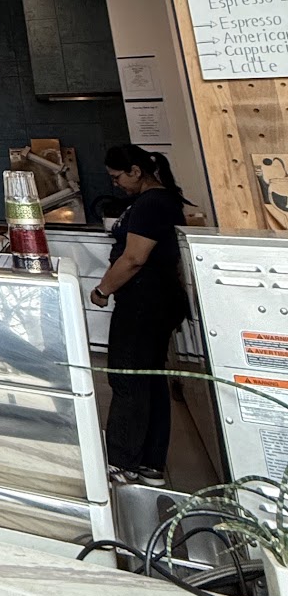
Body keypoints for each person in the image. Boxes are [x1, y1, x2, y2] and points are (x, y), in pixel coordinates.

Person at [90, 144, 190, 486]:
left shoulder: (151, 203)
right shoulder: (158, 201)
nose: (115, 183)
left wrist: (103, 289)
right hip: (157, 300)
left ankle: (122, 462)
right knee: (150, 378)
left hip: (144, 300)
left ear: (136, 171)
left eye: (117, 176)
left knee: (128, 377)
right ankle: (151, 462)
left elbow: (134, 258)